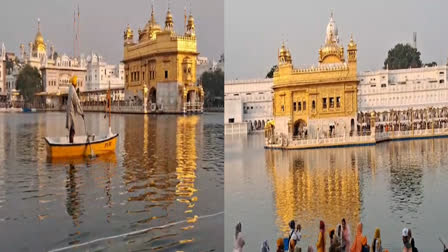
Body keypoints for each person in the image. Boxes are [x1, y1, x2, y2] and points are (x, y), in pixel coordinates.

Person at [66, 75, 84, 143]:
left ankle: (71, 142)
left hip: (70, 111)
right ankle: (71, 143)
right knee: (73, 129)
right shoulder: (73, 90)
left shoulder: (70, 89)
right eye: (76, 83)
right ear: (75, 83)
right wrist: (81, 113)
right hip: (71, 112)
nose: (77, 84)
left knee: (71, 128)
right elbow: (77, 102)